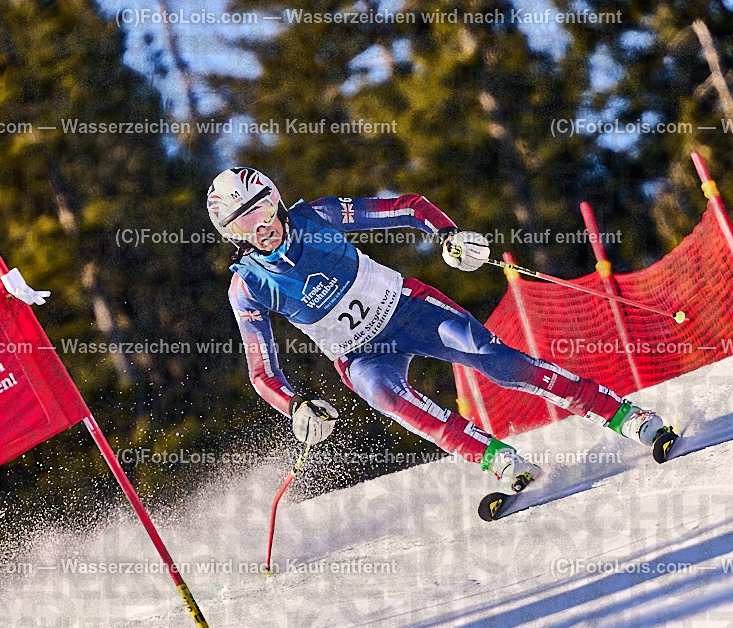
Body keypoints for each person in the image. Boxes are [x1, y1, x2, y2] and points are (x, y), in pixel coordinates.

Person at [209, 167, 666, 494]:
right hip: (359, 355)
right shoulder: (248, 286)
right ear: (232, 234)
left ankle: (625, 416)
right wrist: (297, 406)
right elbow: (262, 373)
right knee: (388, 398)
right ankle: (500, 460)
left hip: (407, 309)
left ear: (277, 199)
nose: (263, 226)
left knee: (498, 362)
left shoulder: (318, 218)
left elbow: (409, 207)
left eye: (264, 208)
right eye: (245, 222)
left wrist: (449, 234)